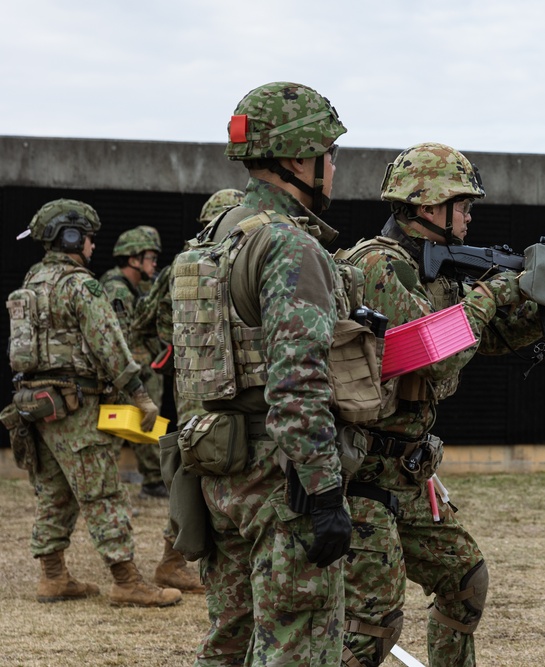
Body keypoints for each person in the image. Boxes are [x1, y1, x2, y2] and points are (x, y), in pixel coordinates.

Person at [337, 142, 545, 667]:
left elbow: (484, 338)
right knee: (370, 629)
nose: (470, 216)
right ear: (429, 208)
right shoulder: (379, 267)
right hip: (363, 476)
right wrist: (491, 294)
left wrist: (544, 304)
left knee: (465, 582)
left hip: (404, 473)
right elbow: (435, 360)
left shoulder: (436, 270)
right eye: (463, 205)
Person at [171, 82, 353, 666]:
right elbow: (297, 378)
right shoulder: (288, 245)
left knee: (230, 639)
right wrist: (323, 490)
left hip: (218, 469)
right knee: (297, 642)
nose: (333, 167)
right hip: (280, 481)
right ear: (298, 158)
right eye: (329, 153)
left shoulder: (213, 241)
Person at [7, 199, 182, 608]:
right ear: (69, 236)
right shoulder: (80, 286)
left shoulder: (30, 285)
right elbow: (110, 345)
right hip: (76, 405)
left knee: (55, 491)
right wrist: (139, 395)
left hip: (36, 406)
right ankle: (126, 581)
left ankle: (53, 576)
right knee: (102, 493)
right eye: (87, 237)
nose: (91, 245)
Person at [131, 188, 246, 430]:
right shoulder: (253, 259)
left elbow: (147, 317)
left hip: (192, 376)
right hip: (243, 377)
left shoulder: (184, 261)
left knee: (195, 444)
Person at [100, 226, 167, 499]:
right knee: (116, 429)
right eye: (150, 257)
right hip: (128, 372)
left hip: (140, 367)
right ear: (133, 259)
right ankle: (105, 487)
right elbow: (119, 339)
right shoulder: (117, 288)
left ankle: (152, 480)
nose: (154, 263)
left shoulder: (136, 286)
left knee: (145, 425)